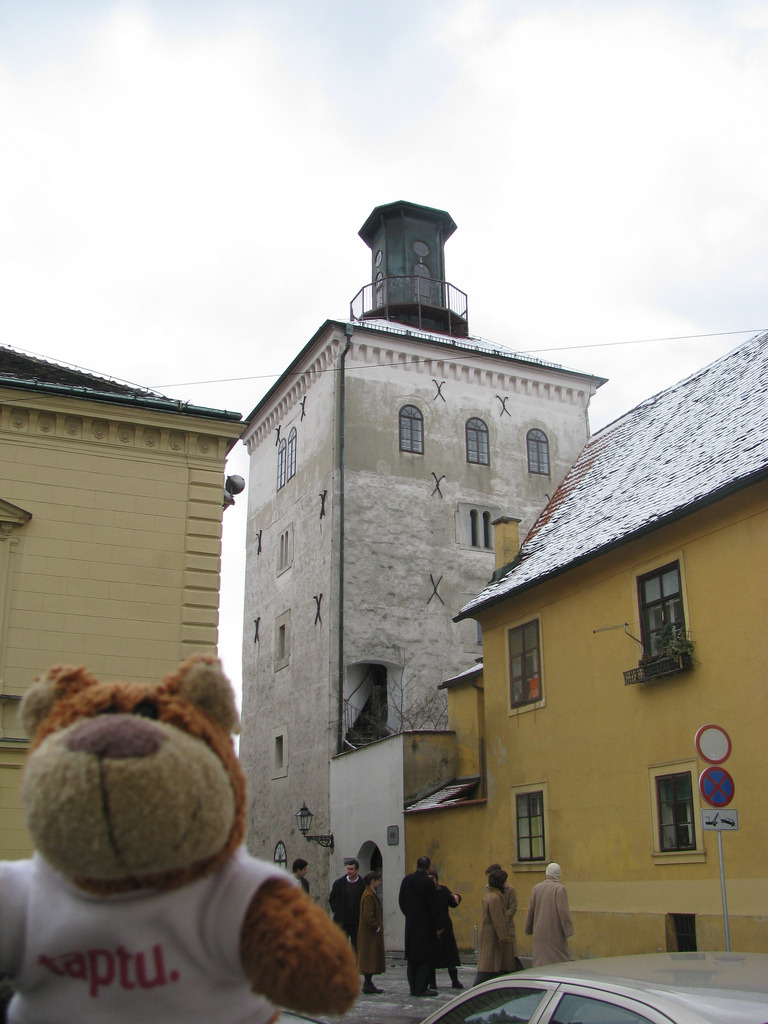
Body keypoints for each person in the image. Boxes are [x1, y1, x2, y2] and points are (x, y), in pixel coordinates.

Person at [398, 855, 442, 998]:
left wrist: (409, 914)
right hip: (425, 926)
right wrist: (439, 925)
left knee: (412, 958)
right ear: (429, 868)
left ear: (416, 866)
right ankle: (421, 987)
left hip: (411, 925)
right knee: (424, 958)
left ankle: (413, 987)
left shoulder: (407, 880)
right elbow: (433, 906)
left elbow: (401, 901)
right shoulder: (428, 883)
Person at [524, 862, 574, 967]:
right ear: (559, 874)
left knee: (541, 960)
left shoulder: (536, 888)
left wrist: (528, 928)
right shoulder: (559, 889)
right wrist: (568, 931)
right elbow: (563, 912)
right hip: (555, 932)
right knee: (557, 961)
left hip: (539, 933)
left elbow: (530, 911)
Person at [474, 868, 515, 985]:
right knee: (488, 970)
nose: (506, 885)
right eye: (504, 882)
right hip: (492, 939)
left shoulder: (490, 895)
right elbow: (498, 921)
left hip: (489, 937)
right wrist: (504, 938)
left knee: (489, 969)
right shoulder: (495, 898)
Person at [426, 867, 464, 990]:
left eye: (432, 878)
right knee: (432, 957)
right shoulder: (425, 892)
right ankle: (432, 982)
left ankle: (454, 981)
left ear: (436, 879)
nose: (431, 880)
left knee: (450, 956)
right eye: (428, 878)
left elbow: (453, 902)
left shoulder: (443, 890)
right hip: (431, 927)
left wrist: (457, 897)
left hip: (445, 927)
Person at [485, 862, 518, 968]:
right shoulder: (487, 889)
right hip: (493, 929)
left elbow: (513, 907)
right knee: (494, 956)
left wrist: (503, 918)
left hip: (507, 926)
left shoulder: (510, 889)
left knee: (510, 956)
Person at [357, 871, 385, 994]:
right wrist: (376, 926)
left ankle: (368, 983)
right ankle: (367, 983)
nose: (379, 883)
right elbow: (368, 916)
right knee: (369, 958)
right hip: (369, 934)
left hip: (370, 934)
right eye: (378, 881)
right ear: (372, 881)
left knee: (370, 958)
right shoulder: (368, 895)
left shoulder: (370, 893)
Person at [329, 858, 366, 950]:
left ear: (357, 870)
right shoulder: (339, 883)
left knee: (356, 947)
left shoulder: (362, 884)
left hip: (356, 921)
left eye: (351, 869)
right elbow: (332, 898)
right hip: (342, 920)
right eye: (348, 869)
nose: (349, 871)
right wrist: (336, 909)